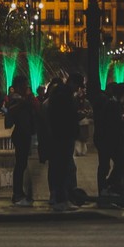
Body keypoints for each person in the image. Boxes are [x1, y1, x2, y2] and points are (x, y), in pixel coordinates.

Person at [45, 74, 84, 211]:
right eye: (77, 86)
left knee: (61, 167)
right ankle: (61, 199)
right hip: (63, 135)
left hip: (60, 135)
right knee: (63, 167)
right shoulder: (64, 95)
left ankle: (61, 197)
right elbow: (65, 116)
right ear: (72, 82)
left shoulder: (59, 94)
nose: (78, 89)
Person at [93, 82, 124, 204]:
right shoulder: (112, 105)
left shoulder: (115, 104)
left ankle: (109, 188)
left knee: (117, 163)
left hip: (108, 140)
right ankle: (106, 188)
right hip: (107, 140)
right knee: (115, 164)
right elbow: (116, 123)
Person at [4, 82, 37, 206]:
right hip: (20, 134)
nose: (25, 89)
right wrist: (23, 103)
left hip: (25, 134)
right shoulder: (15, 99)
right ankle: (17, 193)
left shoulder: (25, 100)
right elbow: (10, 113)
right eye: (23, 86)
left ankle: (20, 192)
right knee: (20, 164)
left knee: (22, 164)